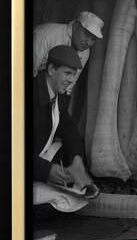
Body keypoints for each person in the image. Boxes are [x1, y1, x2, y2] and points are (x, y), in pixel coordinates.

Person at [33, 45, 99, 198]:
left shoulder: (58, 96)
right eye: (67, 73)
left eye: (73, 75)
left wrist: (77, 159)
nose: (71, 80)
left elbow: (68, 128)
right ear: (51, 70)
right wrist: (46, 170)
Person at [33, 11, 104, 85]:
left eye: (93, 39)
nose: (88, 43)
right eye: (86, 34)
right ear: (76, 26)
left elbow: (71, 82)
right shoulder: (45, 35)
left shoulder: (85, 51)